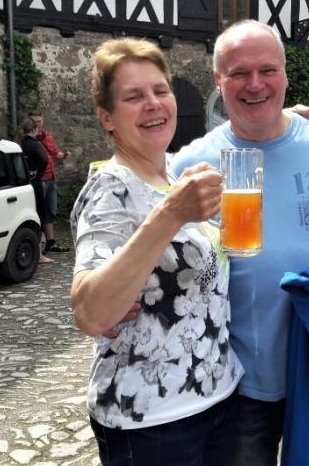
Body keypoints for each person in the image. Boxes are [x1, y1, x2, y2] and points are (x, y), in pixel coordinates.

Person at [169, 19, 309, 466]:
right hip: (236, 383)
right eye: (239, 73)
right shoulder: (192, 165)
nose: (255, 84)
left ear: (286, 75)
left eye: (268, 70)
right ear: (218, 80)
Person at [69, 38, 244, 466]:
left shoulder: (171, 178)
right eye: (134, 96)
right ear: (107, 117)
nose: (152, 103)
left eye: (160, 90)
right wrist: (171, 213)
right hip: (151, 422)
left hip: (218, 400)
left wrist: (297, 114)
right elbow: (90, 312)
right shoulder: (111, 189)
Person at [29, 111, 71, 254]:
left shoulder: (47, 135)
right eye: (34, 122)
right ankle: (39, 245)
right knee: (40, 211)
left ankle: (50, 242)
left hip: (51, 177)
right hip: (40, 179)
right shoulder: (29, 140)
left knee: (51, 210)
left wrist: (64, 155)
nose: (37, 124)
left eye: (39, 121)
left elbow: (55, 153)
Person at [19, 120, 53, 265]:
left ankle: (36, 250)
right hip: (35, 183)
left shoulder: (21, 144)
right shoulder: (34, 144)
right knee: (39, 214)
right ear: (33, 129)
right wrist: (38, 174)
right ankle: (39, 255)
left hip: (24, 183)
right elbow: (44, 159)